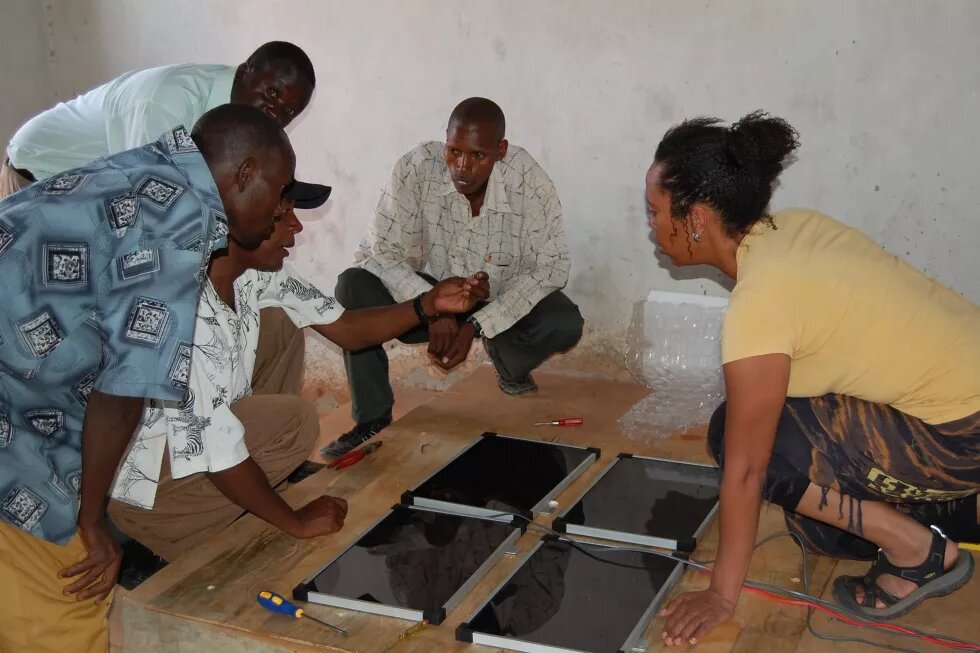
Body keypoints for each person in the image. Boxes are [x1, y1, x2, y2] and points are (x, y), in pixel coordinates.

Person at [646, 111, 979, 646]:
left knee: (743, 438)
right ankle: (945, 509)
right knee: (812, 507)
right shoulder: (794, 227)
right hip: (964, 397)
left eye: (656, 212)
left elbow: (747, 469)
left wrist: (721, 595)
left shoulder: (759, 305)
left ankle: (919, 552)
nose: (652, 228)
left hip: (964, 434)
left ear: (698, 218)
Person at [0, 104, 295, 653]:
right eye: (279, 191)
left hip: (22, 390)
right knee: (70, 609)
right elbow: (122, 392)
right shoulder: (176, 226)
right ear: (245, 174)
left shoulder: (149, 168)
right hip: (16, 427)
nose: (282, 208)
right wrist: (92, 522)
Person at [106, 195, 490, 567]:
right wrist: (295, 522)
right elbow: (218, 453)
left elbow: (346, 328)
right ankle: (169, 535)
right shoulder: (184, 314)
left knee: (281, 320)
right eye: (282, 214)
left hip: (197, 443)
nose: (297, 225)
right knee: (294, 422)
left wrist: (428, 304)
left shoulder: (250, 271)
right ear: (238, 221)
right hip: (148, 488)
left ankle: (265, 482)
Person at [323, 97, 584, 458]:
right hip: (428, 298)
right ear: (444, 141)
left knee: (563, 321)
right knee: (352, 286)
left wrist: (476, 324)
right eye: (454, 151)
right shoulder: (416, 169)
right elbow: (377, 252)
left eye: (478, 156)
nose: (462, 167)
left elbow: (551, 267)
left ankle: (508, 362)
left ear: (501, 151)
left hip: (496, 303)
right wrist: (435, 310)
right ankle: (371, 418)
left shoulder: (528, 181)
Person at [1, 41, 323, 201]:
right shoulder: (170, 102)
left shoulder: (242, 123)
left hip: (94, 193)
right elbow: (148, 200)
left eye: (289, 112)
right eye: (272, 94)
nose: (275, 114)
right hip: (39, 179)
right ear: (246, 70)